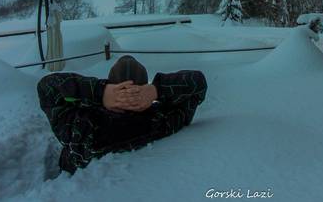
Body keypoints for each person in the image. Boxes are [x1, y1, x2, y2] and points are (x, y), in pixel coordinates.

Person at [37, 55, 207, 175]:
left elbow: (46, 88)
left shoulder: (82, 126)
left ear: (111, 86)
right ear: (144, 88)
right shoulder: (162, 121)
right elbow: (198, 83)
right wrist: (156, 90)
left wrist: (100, 92)